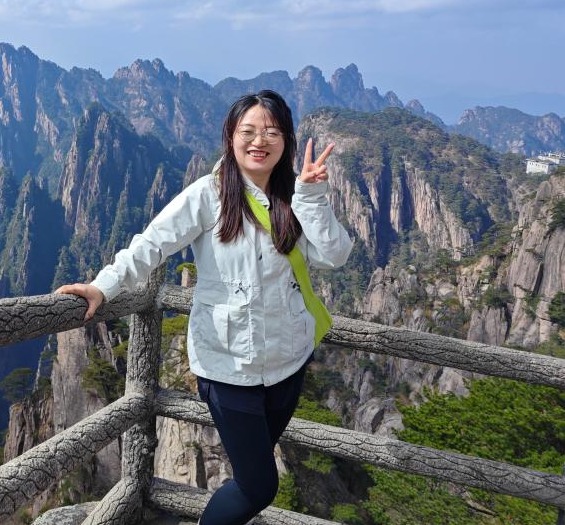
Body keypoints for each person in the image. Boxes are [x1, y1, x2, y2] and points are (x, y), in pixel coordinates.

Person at [56, 89, 353, 525]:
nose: (259, 141)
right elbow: (151, 244)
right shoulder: (208, 195)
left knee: (251, 474)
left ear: (286, 140)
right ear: (230, 137)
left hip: (288, 363)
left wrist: (311, 197)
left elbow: (334, 255)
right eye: (248, 131)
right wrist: (102, 286)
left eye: (271, 132)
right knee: (258, 485)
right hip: (227, 368)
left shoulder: (295, 196)